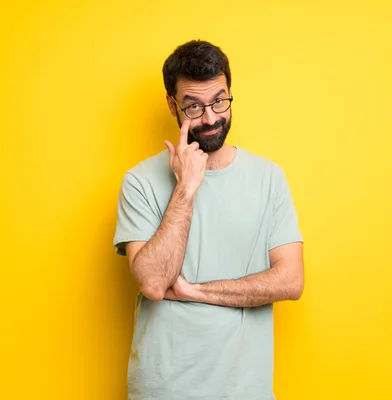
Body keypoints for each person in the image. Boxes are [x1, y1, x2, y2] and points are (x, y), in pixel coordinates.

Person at [113, 39, 304, 400]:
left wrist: (194, 291)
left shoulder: (268, 178)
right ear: (172, 105)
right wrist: (186, 187)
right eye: (194, 107)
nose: (211, 117)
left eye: (219, 100)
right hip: (164, 390)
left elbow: (291, 281)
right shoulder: (138, 181)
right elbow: (153, 283)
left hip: (245, 391)